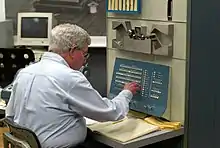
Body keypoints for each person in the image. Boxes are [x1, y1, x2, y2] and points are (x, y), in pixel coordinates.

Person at [5, 23, 140, 148]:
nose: (84, 60)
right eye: (84, 54)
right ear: (72, 51)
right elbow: (111, 112)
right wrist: (126, 93)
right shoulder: (69, 77)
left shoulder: (25, 73)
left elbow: (10, 115)